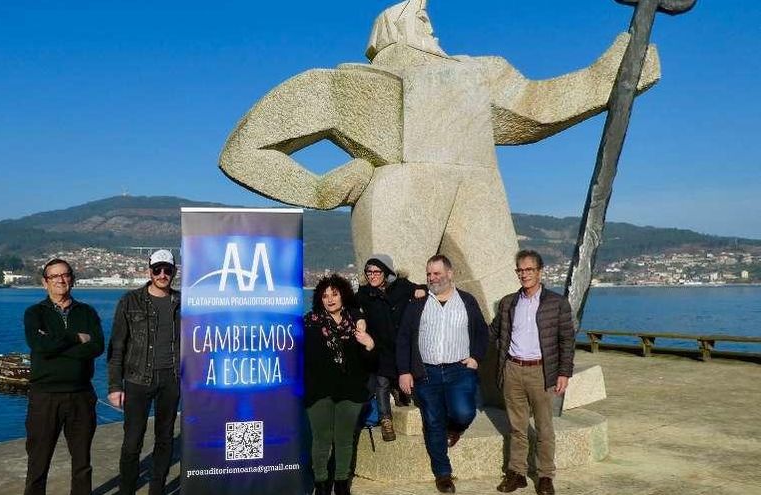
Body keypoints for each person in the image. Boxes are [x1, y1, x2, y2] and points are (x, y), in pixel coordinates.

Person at [219, 0, 660, 319]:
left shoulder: (476, 73)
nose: (433, 29)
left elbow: (539, 106)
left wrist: (612, 76)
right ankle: (388, 401)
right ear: (393, 28)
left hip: (478, 191)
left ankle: (516, 383)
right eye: (423, 18)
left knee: (506, 312)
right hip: (399, 192)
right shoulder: (346, 84)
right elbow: (243, 151)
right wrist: (319, 188)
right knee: (393, 310)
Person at [397, 254, 488, 493]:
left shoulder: (467, 301)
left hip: (460, 370)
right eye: (428, 274)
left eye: (436, 273)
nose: (432, 278)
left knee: (464, 412)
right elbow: (404, 338)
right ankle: (443, 473)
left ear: (450, 273)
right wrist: (404, 371)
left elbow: (481, 332)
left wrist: (476, 358)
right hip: (426, 373)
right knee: (433, 422)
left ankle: (456, 428)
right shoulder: (418, 303)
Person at [490, 250, 575, 495]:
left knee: (544, 428)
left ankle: (545, 475)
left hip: (542, 371)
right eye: (520, 270)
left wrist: (564, 373)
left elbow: (566, 341)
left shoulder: (557, 303)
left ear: (539, 271)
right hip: (513, 370)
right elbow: (493, 332)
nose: (524, 274)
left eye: (529, 270)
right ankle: (517, 473)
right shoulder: (508, 302)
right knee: (517, 427)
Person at [23, 258, 104, 495]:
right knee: (38, 462)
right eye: (54, 276)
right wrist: (75, 338)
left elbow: (97, 347)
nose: (60, 280)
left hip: (81, 396)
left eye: (65, 275)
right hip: (45, 397)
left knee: (82, 463)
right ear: (44, 283)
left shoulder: (87, 312)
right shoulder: (34, 313)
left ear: (72, 279)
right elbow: (40, 346)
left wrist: (55, 344)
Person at [107, 249, 181, 495]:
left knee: (165, 438)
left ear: (174, 273)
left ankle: (157, 489)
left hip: (171, 379)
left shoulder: (183, 302)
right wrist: (115, 386)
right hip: (137, 380)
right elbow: (117, 345)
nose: (162, 274)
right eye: (157, 269)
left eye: (167, 270)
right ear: (149, 271)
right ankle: (127, 490)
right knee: (132, 442)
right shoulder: (130, 301)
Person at [304, 274, 376, 495]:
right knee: (321, 440)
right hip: (319, 392)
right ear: (320, 299)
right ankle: (321, 484)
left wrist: (370, 345)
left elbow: (370, 363)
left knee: (345, 440)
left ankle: (342, 483)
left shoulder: (356, 323)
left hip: (350, 391)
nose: (330, 299)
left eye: (334, 294)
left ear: (343, 295)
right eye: (325, 296)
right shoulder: (310, 322)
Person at [356, 254, 423, 441]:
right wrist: (359, 318)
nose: (372, 275)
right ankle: (386, 420)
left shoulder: (402, 287)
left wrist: (421, 290)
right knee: (381, 382)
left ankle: (412, 402)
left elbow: (421, 288)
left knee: (408, 383)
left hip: (402, 345)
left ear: (386, 272)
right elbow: (352, 307)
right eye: (368, 272)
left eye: (376, 271)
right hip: (380, 346)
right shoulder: (364, 293)